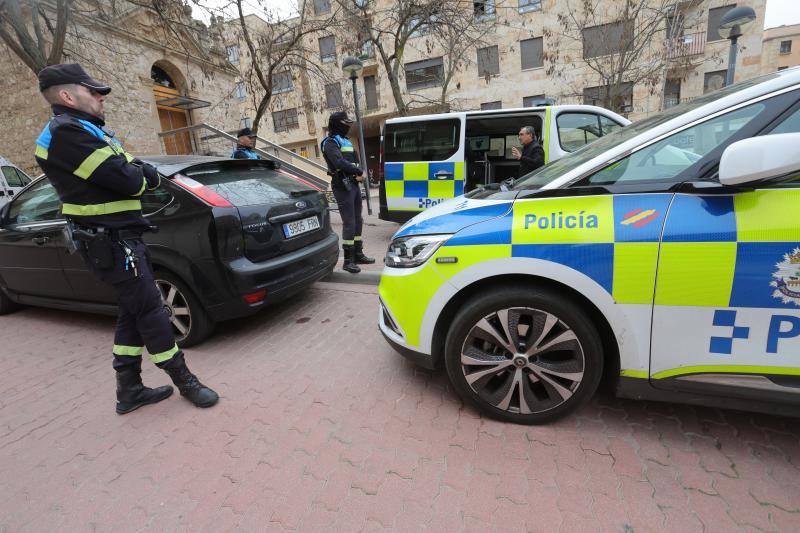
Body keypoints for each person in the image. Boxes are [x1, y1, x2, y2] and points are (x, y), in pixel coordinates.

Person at [34, 63, 218, 414]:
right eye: (93, 91)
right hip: (110, 242)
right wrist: (141, 176)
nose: (101, 97)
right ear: (66, 95)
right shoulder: (67, 134)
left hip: (120, 238)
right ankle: (185, 381)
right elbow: (132, 179)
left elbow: (133, 168)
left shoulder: (85, 130)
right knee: (151, 309)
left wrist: (139, 173)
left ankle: (129, 390)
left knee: (132, 312)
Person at [321, 111, 375, 274]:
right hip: (342, 185)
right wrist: (359, 171)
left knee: (358, 219)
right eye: (345, 123)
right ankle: (348, 260)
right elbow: (338, 161)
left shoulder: (346, 141)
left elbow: (353, 160)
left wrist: (359, 173)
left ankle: (358, 254)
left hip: (353, 183)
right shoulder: (329, 142)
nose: (348, 126)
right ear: (337, 124)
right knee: (349, 222)